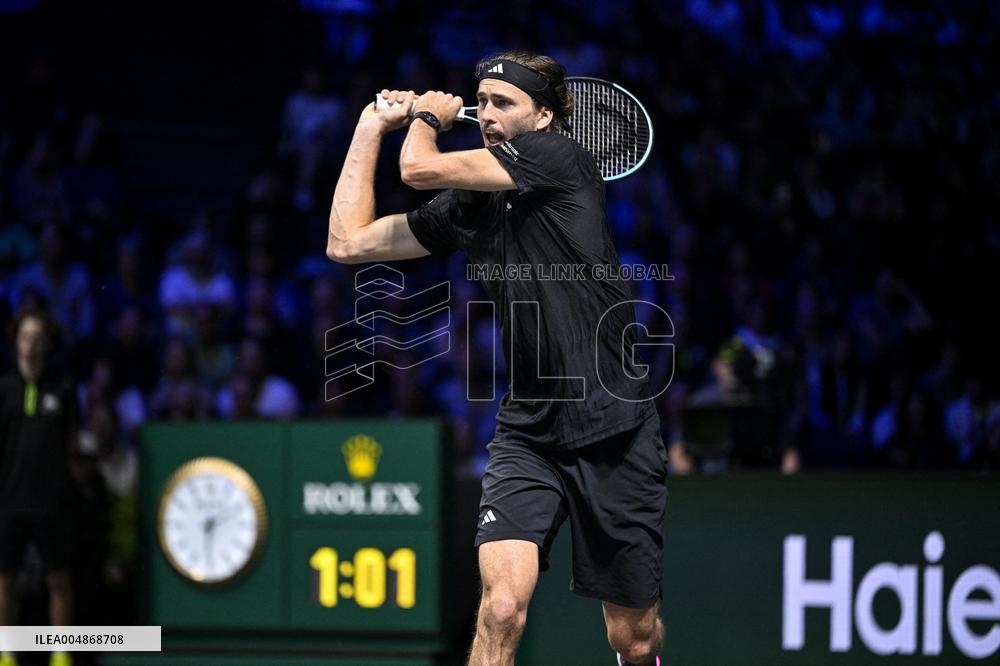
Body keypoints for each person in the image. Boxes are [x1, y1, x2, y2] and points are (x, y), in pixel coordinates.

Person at [327, 50, 667, 666]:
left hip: (616, 430)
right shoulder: (472, 206)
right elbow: (347, 242)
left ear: (545, 117)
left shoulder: (563, 158)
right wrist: (370, 126)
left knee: (632, 636)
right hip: (528, 434)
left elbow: (419, 170)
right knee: (502, 607)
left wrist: (426, 117)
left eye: (502, 103)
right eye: (479, 101)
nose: (485, 114)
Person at [0, 308, 77, 666]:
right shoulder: (4, 389)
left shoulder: (62, 389)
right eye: (25, 337)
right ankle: (7, 654)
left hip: (51, 503)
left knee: (58, 581)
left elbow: (70, 444)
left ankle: (61, 654)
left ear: (47, 343)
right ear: (16, 341)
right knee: (5, 583)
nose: (30, 345)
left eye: (37, 338)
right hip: (8, 502)